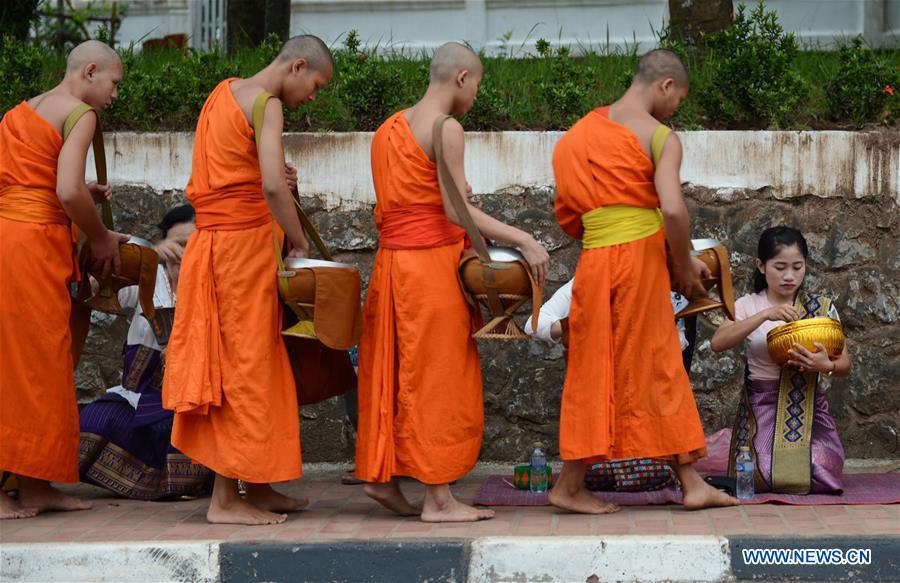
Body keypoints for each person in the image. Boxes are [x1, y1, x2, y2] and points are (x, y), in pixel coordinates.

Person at [356, 42, 550, 522]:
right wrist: (524, 238)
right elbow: (452, 209)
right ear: (462, 77)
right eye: (477, 85)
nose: (476, 95)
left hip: (391, 266)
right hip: (430, 269)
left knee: (395, 372)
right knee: (438, 377)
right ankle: (439, 499)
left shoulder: (387, 130)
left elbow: (407, 202)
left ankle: (382, 477)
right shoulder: (447, 128)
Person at [551, 48, 738, 513]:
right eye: (678, 100)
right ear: (665, 85)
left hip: (595, 264)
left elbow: (570, 217)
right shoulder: (659, 136)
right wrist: (683, 262)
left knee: (593, 366)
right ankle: (684, 483)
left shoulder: (576, 136)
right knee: (659, 364)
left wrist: (613, 233)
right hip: (639, 264)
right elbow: (672, 209)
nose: (675, 109)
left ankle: (580, 485)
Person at [162, 35, 333, 526]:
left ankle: (257, 484)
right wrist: (298, 241)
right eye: (316, 85)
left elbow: (242, 173)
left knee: (259, 365)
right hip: (242, 254)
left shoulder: (224, 92)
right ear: (297, 66)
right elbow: (272, 186)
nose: (312, 97)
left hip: (214, 248)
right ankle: (224, 499)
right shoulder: (267, 104)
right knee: (243, 371)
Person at [0, 40, 129, 519]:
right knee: (28, 366)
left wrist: (73, 196)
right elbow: (67, 190)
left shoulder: (19, 112)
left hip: (10, 239)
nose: (115, 94)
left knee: (34, 363)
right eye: (114, 83)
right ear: (90, 71)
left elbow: (30, 184)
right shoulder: (81, 113)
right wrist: (101, 237)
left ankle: (34, 484)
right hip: (32, 248)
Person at [79, 204, 213, 500]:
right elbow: (93, 288)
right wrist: (149, 256)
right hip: (138, 394)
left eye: (193, 245)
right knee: (94, 420)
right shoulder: (149, 277)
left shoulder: (212, 284)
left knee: (171, 426)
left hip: (189, 395)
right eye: (178, 244)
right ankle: (139, 481)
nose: (183, 253)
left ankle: (187, 482)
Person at [711, 227, 850, 494]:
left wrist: (826, 366)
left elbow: (845, 364)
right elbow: (718, 343)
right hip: (761, 404)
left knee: (820, 466)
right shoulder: (749, 304)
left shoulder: (820, 308)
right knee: (762, 471)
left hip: (806, 404)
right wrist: (765, 315)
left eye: (797, 267)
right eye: (780, 267)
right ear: (761, 266)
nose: (789, 276)